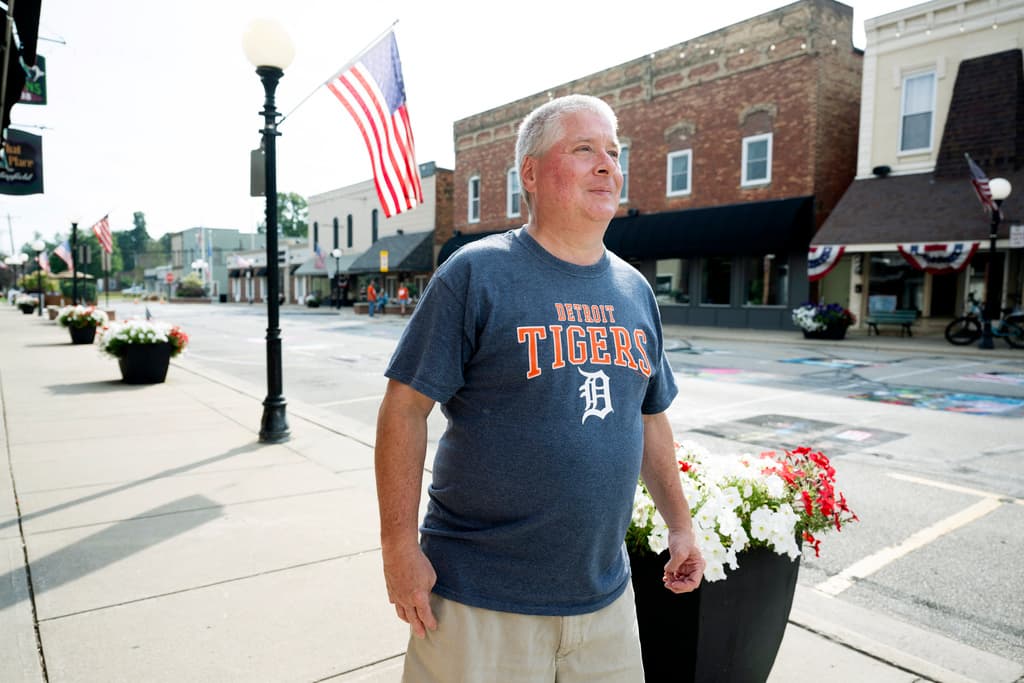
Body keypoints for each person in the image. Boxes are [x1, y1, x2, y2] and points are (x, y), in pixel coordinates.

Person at [374, 94, 704, 682]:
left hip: (605, 603)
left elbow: (649, 418)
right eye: (584, 150)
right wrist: (399, 546)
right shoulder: (476, 273)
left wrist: (680, 524)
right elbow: (404, 408)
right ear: (530, 172)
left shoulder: (634, 291)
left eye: (613, 151)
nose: (607, 165)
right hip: (480, 598)